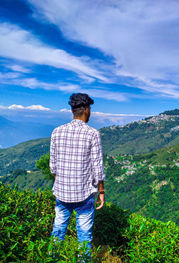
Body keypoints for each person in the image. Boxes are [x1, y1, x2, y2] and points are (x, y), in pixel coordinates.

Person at [49, 93, 106, 258]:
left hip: (61, 193)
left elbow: (53, 166)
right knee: (84, 236)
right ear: (87, 110)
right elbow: (97, 166)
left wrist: (61, 183)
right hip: (84, 195)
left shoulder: (57, 132)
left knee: (58, 231)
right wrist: (101, 191)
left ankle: (51, 259)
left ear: (73, 110)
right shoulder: (92, 133)